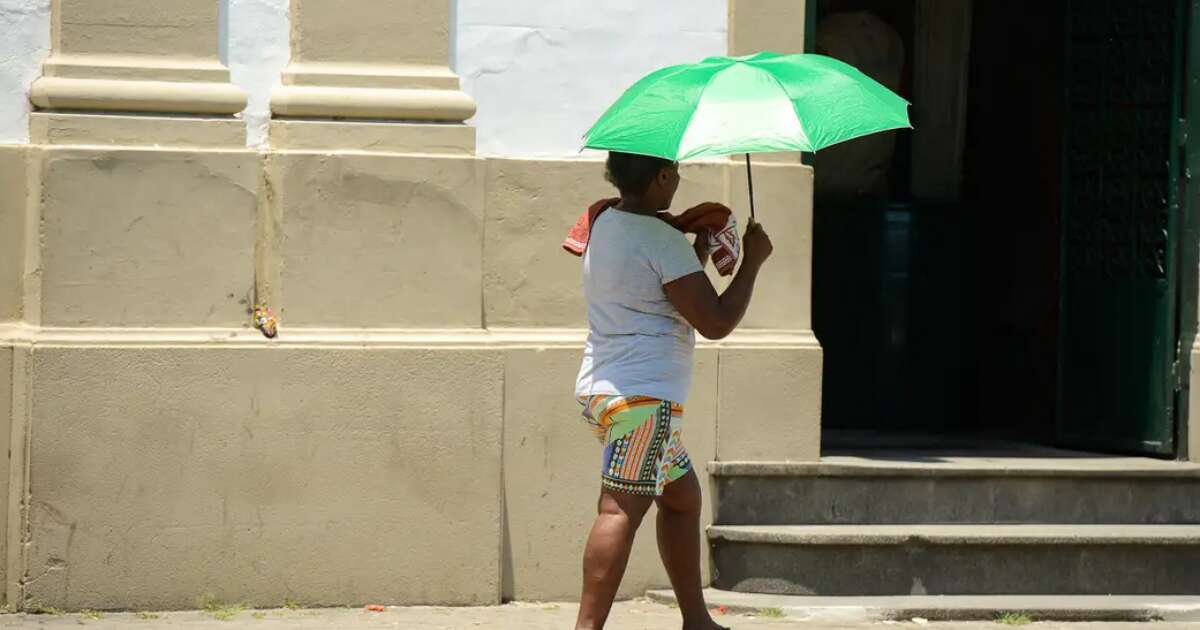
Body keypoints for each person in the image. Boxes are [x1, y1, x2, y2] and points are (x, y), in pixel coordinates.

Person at [573, 151, 774, 630]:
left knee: (681, 497)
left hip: (606, 391)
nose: (680, 179)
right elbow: (715, 321)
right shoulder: (661, 238)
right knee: (619, 508)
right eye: (676, 171)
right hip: (645, 399)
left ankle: (696, 620)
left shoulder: (605, 222)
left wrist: (695, 252)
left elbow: (660, 293)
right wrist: (753, 262)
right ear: (661, 176)